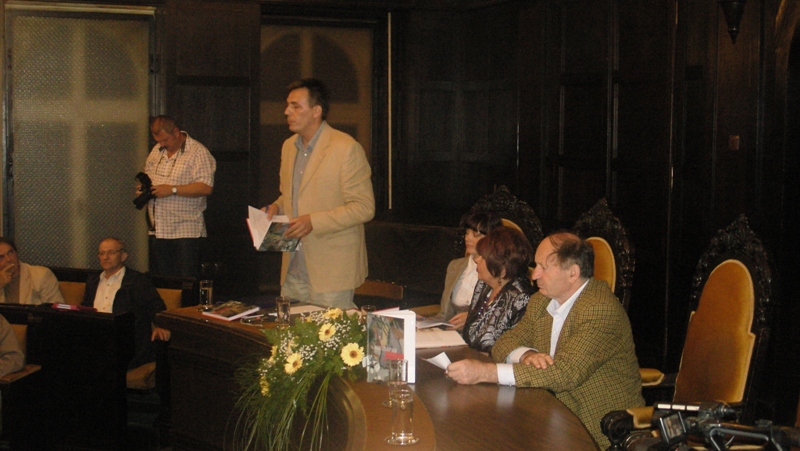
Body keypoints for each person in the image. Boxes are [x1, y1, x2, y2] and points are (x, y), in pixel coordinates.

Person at [446, 232, 644, 448]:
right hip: (543, 413)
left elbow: (564, 374)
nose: (535, 275)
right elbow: (504, 342)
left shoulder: (599, 310)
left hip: (594, 429)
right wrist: (526, 354)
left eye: (543, 267)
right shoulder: (542, 301)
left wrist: (486, 373)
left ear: (573, 273)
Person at [263, 79, 375, 309]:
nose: (287, 112)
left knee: (330, 332)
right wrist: (276, 207)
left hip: (331, 271)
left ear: (316, 111)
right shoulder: (288, 146)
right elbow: (291, 196)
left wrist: (313, 221)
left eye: (295, 106)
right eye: (287, 105)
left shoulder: (345, 148)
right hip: (293, 266)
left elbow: (364, 207)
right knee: (291, 331)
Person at [142, 115, 216, 278]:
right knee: (163, 282)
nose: (162, 145)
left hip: (185, 230)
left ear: (176, 132)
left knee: (186, 282)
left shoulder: (198, 152)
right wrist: (144, 190)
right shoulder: (156, 151)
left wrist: (173, 190)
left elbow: (206, 187)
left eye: (165, 140)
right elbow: (148, 177)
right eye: (158, 141)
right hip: (158, 229)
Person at [81, 237, 170, 370]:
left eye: (111, 252)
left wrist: (161, 325)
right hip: (96, 338)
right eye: (102, 253)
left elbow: (156, 306)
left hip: (126, 341)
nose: (105, 257)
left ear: (123, 256)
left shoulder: (137, 280)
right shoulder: (93, 281)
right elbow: (85, 309)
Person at [461, 226, 535, 352]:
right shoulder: (483, 286)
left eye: (483, 257)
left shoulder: (521, 299)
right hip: (469, 357)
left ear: (502, 266)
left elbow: (513, 350)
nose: (477, 259)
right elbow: (470, 335)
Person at [429, 212, 503, 329]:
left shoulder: (500, 270)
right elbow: (444, 315)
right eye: (467, 233)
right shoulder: (455, 266)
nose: (468, 238)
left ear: (492, 239)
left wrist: (473, 317)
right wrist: (423, 322)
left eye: (476, 235)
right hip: (451, 332)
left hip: (481, 333)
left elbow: (503, 313)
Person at [0, 237, 64, 305]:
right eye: (1, 257)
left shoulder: (41, 275)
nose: (8, 259)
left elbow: (57, 308)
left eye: (10, 253)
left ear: (16, 253)